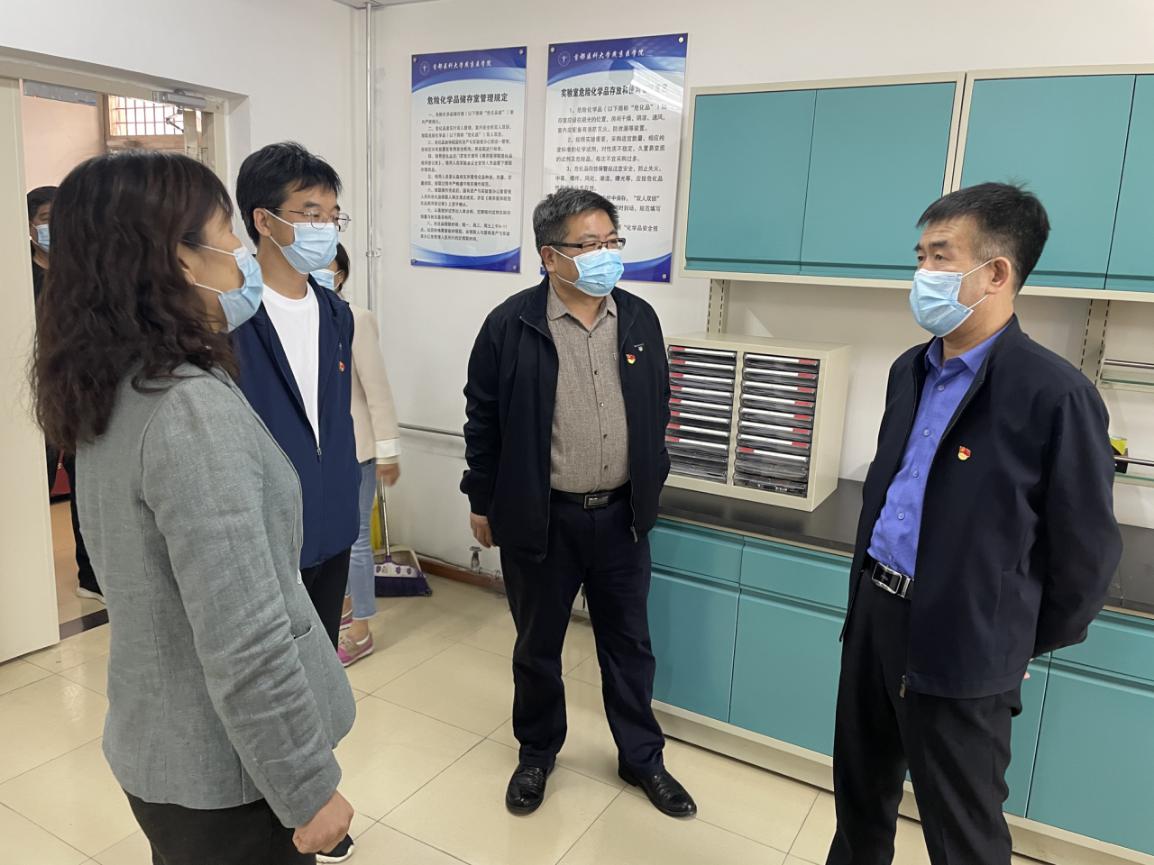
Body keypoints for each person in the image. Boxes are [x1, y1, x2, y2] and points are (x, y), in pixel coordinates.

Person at [31, 149, 355, 865]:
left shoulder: (114, 381)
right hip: (228, 771)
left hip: (164, 741)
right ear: (178, 260)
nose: (239, 252)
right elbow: (246, 635)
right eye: (225, 232)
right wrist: (307, 786)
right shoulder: (187, 409)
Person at [826, 182, 1122, 865]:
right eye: (920, 257)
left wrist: (1001, 638)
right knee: (859, 804)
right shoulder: (910, 370)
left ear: (996, 273)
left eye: (940, 256)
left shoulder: (1055, 395)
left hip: (966, 647)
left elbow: (1085, 561)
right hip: (874, 616)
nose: (922, 273)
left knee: (964, 836)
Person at [461, 187, 696, 819]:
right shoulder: (511, 325)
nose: (605, 255)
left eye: (612, 241)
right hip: (543, 520)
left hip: (622, 517)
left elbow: (658, 406)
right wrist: (482, 499)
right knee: (538, 648)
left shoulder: (638, 318)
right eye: (589, 245)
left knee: (630, 647)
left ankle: (642, 758)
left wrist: (651, 481)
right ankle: (537, 752)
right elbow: (482, 420)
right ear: (550, 256)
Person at [233, 142, 359, 865]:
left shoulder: (334, 311)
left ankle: (317, 799)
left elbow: (330, 421)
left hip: (329, 522)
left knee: (318, 674)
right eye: (309, 212)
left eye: (332, 214)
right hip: (259, 530)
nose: (324, 228)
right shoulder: (230, 313)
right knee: (264, 680)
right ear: (264, 220)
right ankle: (270, 811)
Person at [312, 243, 401, 667]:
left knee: (357, 540)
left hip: (356, 447)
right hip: (319, 450)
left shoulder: (356, 319)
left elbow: (376, 391)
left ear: (341, 275)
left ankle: (361, 629)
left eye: (325, 266)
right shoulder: (298, 318)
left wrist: (388, 451)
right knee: (331, 536)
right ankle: (345, 604)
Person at [28, 185, 102, 604]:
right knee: (30, 484)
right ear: (29, 227)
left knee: (85, 483)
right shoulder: (19, 276)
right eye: (44, 219)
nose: (53, 227)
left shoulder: (82, 273)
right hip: (32, 397)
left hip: (78, 391)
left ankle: (90, 575)